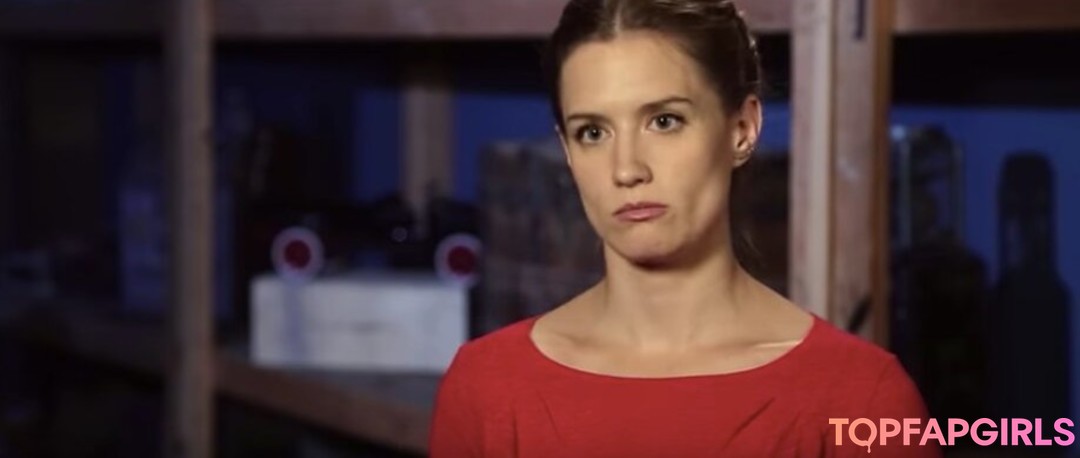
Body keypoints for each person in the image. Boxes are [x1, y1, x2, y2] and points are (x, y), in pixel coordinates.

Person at [430, 0, 941, 456]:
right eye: (593, 132)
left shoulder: (862, 399)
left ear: (742, 129)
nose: (627, 169)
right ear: (567, 150)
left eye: (664, 121)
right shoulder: (487, 388)